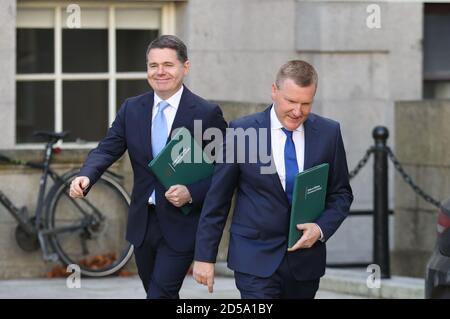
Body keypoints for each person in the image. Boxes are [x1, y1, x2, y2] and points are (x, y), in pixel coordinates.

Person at [69, 35, 227, 299]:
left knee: (160, 294)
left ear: (184, 67)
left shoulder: (206, 113)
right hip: (143, 223)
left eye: (168, 64)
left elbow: (225, 172)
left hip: (182, 225)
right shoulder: (132, 109)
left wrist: (191, 192)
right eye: (153, 65)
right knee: (157, 292)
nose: (160, 72)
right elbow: (108, 148)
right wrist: (86, 176)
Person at [192, 60, 353, 299]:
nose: (297, 111)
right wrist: (204, 257)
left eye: (306, 103)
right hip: (253, 260)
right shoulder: (241, 133)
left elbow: (341, 194)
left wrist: (320, 228)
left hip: (304, 263)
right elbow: (218, 199)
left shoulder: (329, 133)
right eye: (291, 101)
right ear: (274, 91)